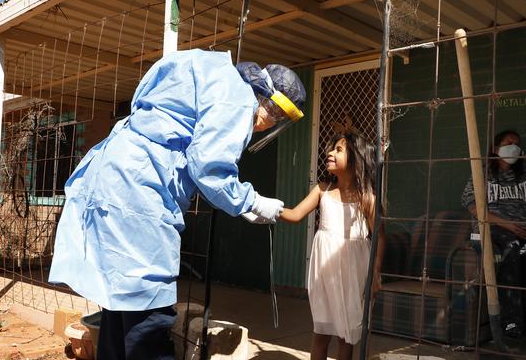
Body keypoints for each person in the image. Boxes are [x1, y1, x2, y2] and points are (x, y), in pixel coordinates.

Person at [48, 49, 306, 359]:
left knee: (121, 305)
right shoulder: (237, 98)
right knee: (148, 312)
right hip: (140, 191)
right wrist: (251, 202)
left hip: (114, 175)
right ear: (268, 100)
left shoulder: (210, 73)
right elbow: (209, 167)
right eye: (276, 115)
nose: (268, 124)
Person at [279, 131, 384, 360]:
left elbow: (380, 236)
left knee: (346, 335)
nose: (329, 153)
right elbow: (296, 214)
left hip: (354, 272)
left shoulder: (367, 197)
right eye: (331, 148)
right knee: (321, 333)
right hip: (325, 272)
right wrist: (266, 208)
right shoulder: (322, 189)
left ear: (356, 157)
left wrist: (376, 272)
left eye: (338, 149)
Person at [461, 130, 526, 353]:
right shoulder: (482, 173)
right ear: (495, 149)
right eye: (508, 143)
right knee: (511, 250)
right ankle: (511, 322)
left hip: (523, 231)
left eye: (516, 144)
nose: (513, 147)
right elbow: (474, 207)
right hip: (494, 230)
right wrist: (507, 224)